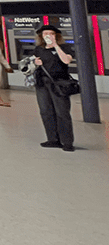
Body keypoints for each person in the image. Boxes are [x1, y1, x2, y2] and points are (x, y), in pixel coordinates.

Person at [32, 24, 76, 152]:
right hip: (42, 84)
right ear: (41, 36)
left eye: (51, 33)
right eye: (45, 34)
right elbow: (31, 65)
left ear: (56, 35)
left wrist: (55, 46)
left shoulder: (65, 47)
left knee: (62, 112)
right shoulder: (38, 49)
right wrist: (35, 63)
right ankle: (53, 139)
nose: (48, 36)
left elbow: (66, 61)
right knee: (46, 111)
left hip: (59, 83)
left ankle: (67, 142)